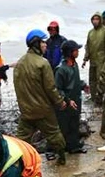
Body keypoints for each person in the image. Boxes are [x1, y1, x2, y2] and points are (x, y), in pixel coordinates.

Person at [14, 29, 70, 163]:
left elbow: (18, 88)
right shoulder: (43, 63)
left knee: (21, 140)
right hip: (43, 110)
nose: (46, 45)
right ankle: (61, 158)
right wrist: (60, 102)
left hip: (26, 111)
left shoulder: (19, 63)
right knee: (55, 135)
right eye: (43, 42)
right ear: (36, 44)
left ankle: (19, 163)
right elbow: (51, 88)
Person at [54, 40, 89, 154]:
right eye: (76, 50)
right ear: (70, 52)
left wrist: (83, 85)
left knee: (74, 123)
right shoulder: (61, 69)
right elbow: (58, 88)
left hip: (76, 100)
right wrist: (67, 100)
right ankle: (60, 148)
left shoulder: (74, 65)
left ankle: (74, 146)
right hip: (66, 102)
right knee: (64, 126)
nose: (78, 51)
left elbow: (75, 81)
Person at [84, 12, 105, 103]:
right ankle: (93, 98)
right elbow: (87, 46)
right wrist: (85, 59)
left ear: (100, 20)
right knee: (92, 80)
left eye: (97, 19)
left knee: (101, 80)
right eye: (94, 19)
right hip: (92, 60)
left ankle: (101, 98)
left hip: (102, 60)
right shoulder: (90, 32)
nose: (95, 21)